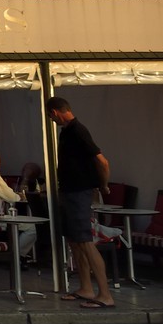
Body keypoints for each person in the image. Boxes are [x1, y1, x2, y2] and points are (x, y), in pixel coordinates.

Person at [49, 96, 114, 308]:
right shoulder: (67, 132)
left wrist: (103, 185)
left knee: (85, 240)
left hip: (79, 192)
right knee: (75, 240)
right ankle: (86, 287)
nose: (52, 120)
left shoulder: (78, 130)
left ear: (55, 112)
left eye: (51, 116)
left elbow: (102, 161)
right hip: (69, 191)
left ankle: (105, 294)